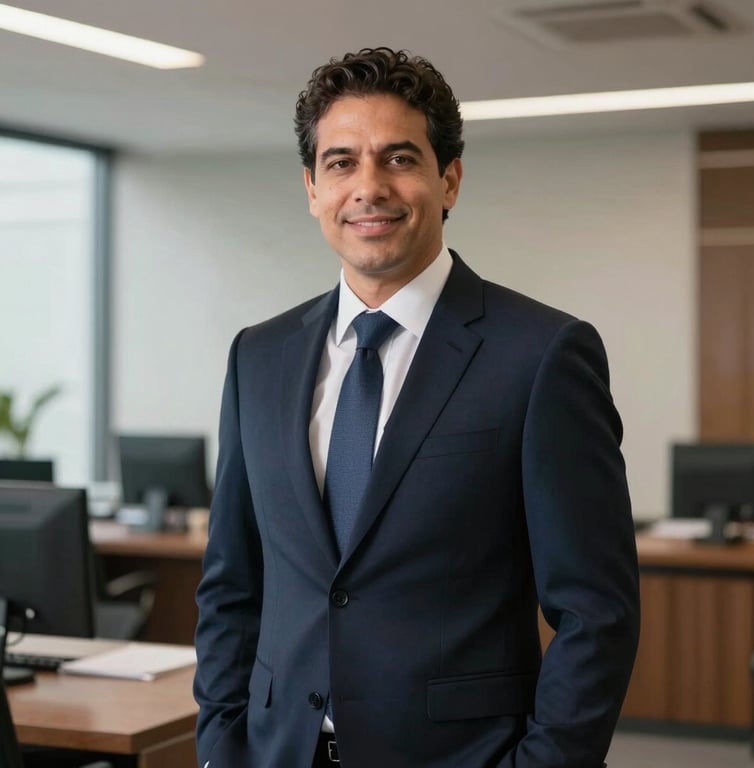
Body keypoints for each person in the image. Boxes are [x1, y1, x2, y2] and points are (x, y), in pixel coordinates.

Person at [193, 46, 640, 768]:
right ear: (312, 188)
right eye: (341, 163)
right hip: (277, 753)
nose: (368, 187)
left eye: (399, 158)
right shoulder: (259, 356)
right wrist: (221, 745)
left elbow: (596, 611)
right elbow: (231, 583)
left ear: (449, 179)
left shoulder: (540, 355)